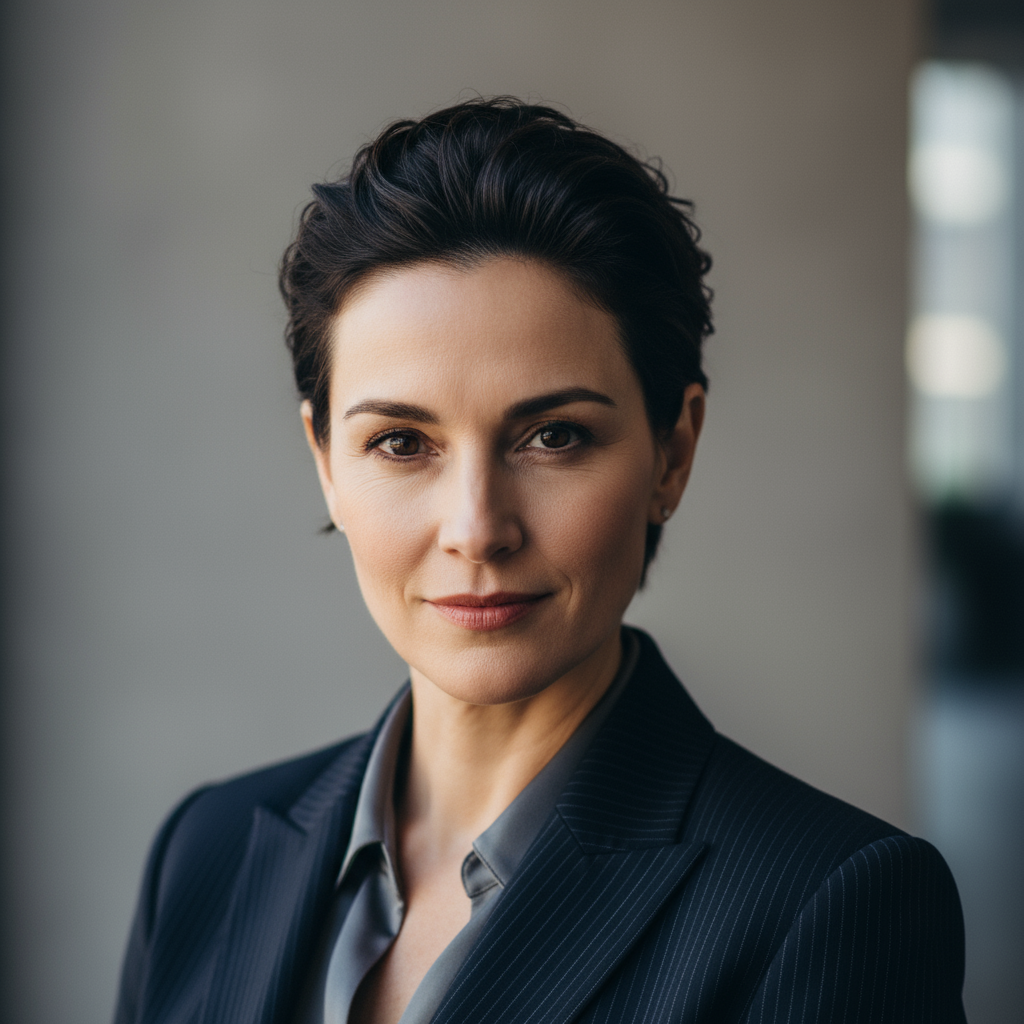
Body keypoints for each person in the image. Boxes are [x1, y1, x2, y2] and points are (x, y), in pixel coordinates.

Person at [113, 98, 967, 1024]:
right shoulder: (205, 853)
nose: (477, 528)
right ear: (326, 462)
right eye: (402, 443)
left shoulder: (829, 906)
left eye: (554, 436)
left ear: (671, 454)